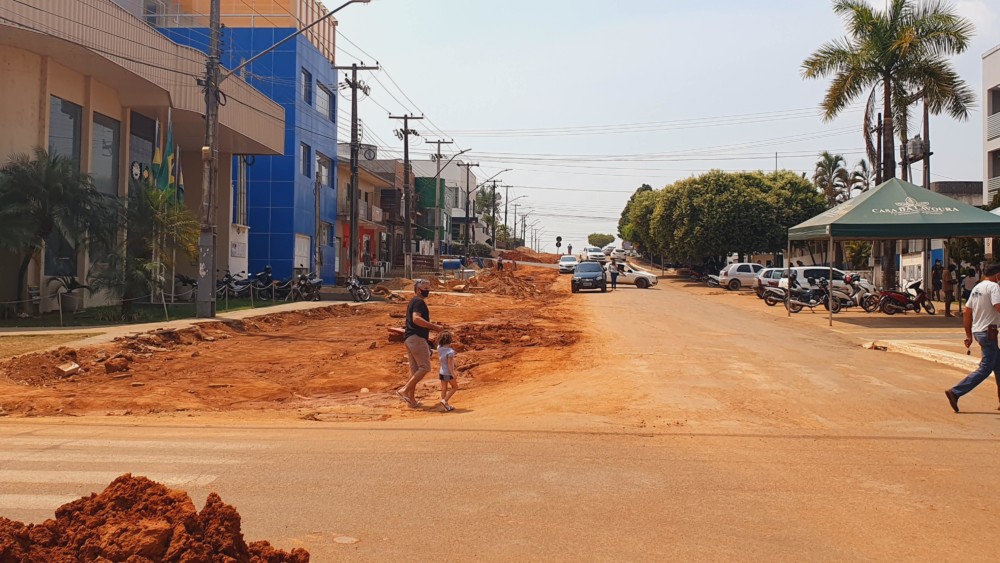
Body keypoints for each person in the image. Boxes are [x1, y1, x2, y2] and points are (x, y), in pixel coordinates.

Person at [945, 262, 1000, 413]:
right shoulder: (994, 287)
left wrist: (969, 335)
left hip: (979, 332)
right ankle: (956, 392)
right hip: (989, 333)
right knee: (985, 368)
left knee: (998, 366)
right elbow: (998, 306)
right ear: (997, 275)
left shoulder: (977, 288)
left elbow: (967, 312)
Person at [397, 279, 445, 408]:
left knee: (415, 371)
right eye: (426, 288)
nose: (428, 290)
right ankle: (405, 390)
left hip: (409, 339)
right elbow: (416, 319)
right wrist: (434, 327)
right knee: (425, 368)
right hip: (417, 338)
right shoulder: (419, 301)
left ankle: (411, 400)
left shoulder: (413, 301)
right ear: (418, 290)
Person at [436, 331, 459, 412]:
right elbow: (449, 364)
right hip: (448, 373)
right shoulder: (450, 352)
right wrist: (453, 374)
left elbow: (439, 344)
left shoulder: (439, 348)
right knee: (455, 387)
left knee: (444, 388)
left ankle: (445, 406)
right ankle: (444, 400)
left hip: (441, 372)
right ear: (450, 340)